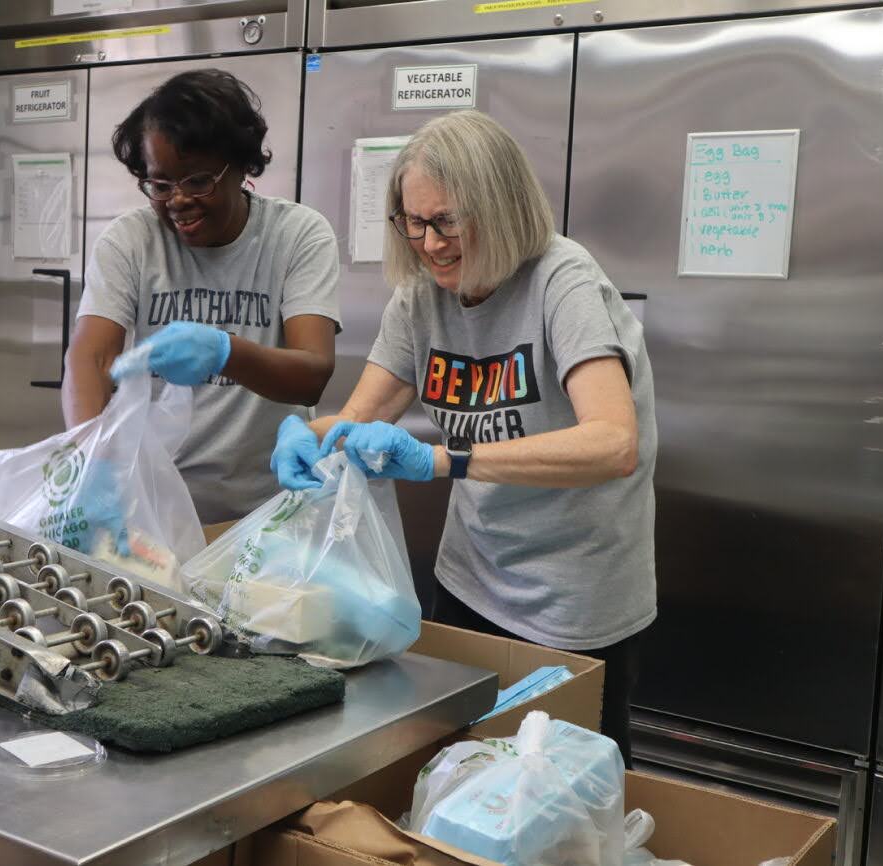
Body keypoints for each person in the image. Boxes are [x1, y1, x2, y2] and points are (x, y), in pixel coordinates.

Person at [270, 110, 656, 765]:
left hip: (575, 599)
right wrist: (308, 434)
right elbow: (362, 417)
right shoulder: (421, 299)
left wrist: (448, 460)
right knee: (459, 772)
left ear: (501, 209)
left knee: (560, 796)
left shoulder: (562, 280)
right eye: (413, 222)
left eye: (447, 221)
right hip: (470, 581)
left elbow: (614, 443)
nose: (429, 243)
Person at [63, 69, 340, 526]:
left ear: (241, 166)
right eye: (160, 184)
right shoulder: (131, 240)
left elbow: (311, 372)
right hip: (154, 510)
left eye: (197, 181)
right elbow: (89, 359)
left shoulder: (298, 235)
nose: (178, 200)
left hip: (267, 515)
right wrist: (88, 460)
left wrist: (223, 350)